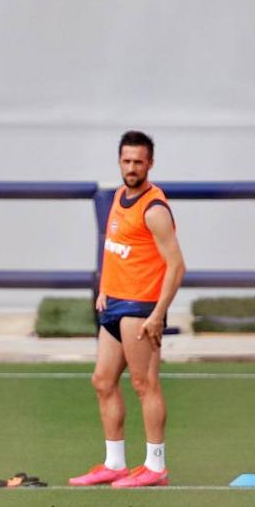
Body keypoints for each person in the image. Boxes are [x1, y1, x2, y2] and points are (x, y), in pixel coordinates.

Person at [69, 130, 186, 488]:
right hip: (114, 304)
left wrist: (157, 314)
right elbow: (115, 248)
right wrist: (105, 288)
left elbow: (177, 265)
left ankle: (155, 466)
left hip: (141, 307)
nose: (132, 167)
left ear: (150, 163)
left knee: (144, 383)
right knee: (103, 381)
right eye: (126, 160)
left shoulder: (155, 209)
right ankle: (115, 463)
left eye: (138, 161)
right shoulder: (120, 196)